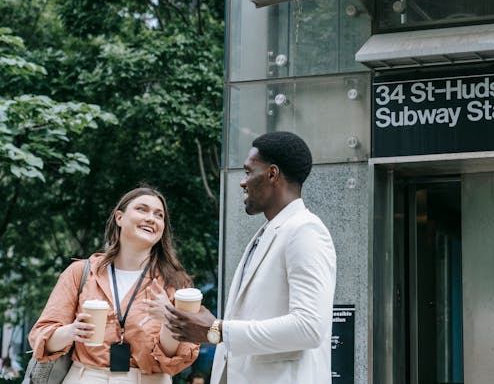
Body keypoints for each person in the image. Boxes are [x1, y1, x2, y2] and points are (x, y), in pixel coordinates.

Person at [164, 131, 337, 384]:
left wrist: (217, 330)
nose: (242, 182)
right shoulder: (267, 232)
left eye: (247, 172)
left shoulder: (305, 230)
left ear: (272, 174)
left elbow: (309, 327)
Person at [28, 187, 199, 383]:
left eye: (159, 215)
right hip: (87, 377)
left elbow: (173, 360)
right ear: (119, 217)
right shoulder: (81, 272)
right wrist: (72, 331)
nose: (151, 218)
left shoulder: (176, 283)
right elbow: (41, 339)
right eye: (142, 209)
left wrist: (170, 319)